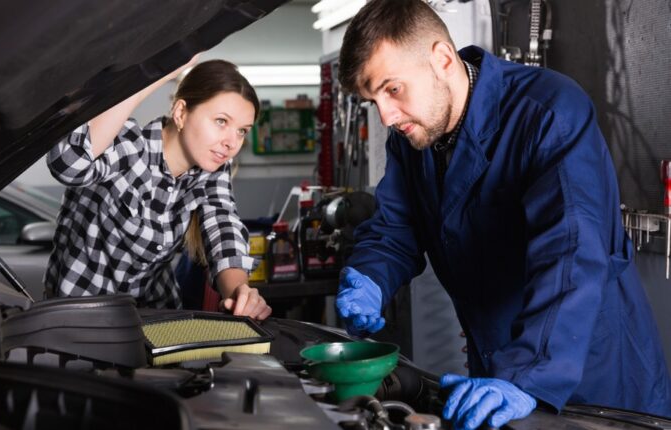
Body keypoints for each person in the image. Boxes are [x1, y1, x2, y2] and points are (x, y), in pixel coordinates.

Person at [334, 0, 671, 427]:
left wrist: (527, 375)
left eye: (393, 89)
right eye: (372, 100)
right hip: (499, 371)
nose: (386, 115)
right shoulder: (413, 137)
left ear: (440, 59)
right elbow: (396, 229)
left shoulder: (549, 114)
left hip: (589, 375)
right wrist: (370, 275)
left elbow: (570, 256)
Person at [45, 57, 272, 321]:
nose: (231, 143)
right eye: (221, 121)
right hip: (79, 323)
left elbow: (224, 229)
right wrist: (153, 73)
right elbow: (67, 164)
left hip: (155, 319)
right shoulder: (130, 146)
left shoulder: (211, 170)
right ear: (180, 113)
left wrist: (240, 294)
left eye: (242, 131)